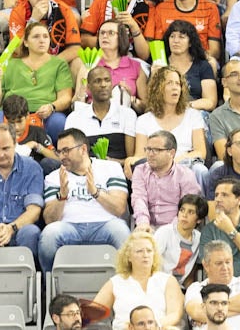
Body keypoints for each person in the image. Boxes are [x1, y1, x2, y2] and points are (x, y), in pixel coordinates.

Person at [38, 127, 132, 271]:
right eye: (59, 152)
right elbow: (50, 220)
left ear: (83, 149)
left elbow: (119, 208)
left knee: (121, 231)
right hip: (69, 227)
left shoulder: (110, 168)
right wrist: (62, 196)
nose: (62, 156)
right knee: (49, 235)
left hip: (104, 225)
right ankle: (51, 286)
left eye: (66, 150)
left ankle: (124, 284)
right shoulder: (54, 177)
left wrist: (95, 192)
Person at [92, 229, 184, 330]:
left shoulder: (167, 280)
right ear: (129, 257)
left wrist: (153, 326)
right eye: (139, 251)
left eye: (149, 251)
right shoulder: (116, 282)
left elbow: (175, 314)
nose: (145, 255)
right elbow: (93, 312)